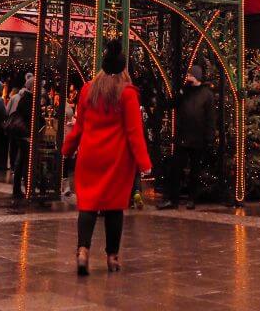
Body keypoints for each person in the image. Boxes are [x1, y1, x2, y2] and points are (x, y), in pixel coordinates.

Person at [62, 40, 151, 276]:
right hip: (116, 160)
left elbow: (79, 126)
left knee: (88, 206)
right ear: (123, 68)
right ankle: (112, 257)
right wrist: (144, 163)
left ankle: (82, 251)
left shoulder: (88, 89)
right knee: (114, 208)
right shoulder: (128, 93)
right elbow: (134, 132)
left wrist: (67, 148)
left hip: (90, 156)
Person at [157, 62, 215, 210]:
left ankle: (191, 198)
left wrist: (209, 137)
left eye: (190, 75)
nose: (188, 77)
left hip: (198, 138)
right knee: (176, 169)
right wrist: (181, 93)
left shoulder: (207, 94)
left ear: (196, 77)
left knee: (195, 171)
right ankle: (173, 199)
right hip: (183, 136)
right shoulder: (185, 91)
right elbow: (172, 104)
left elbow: (210, 118)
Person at [9, 75, 35, 199]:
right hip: (25, 133)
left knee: (21, 160)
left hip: (21, 133)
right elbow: (29, 115)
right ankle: (25, 187)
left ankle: (18, 188)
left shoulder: (23, 97)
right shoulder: (28, 99)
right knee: (24, 161)